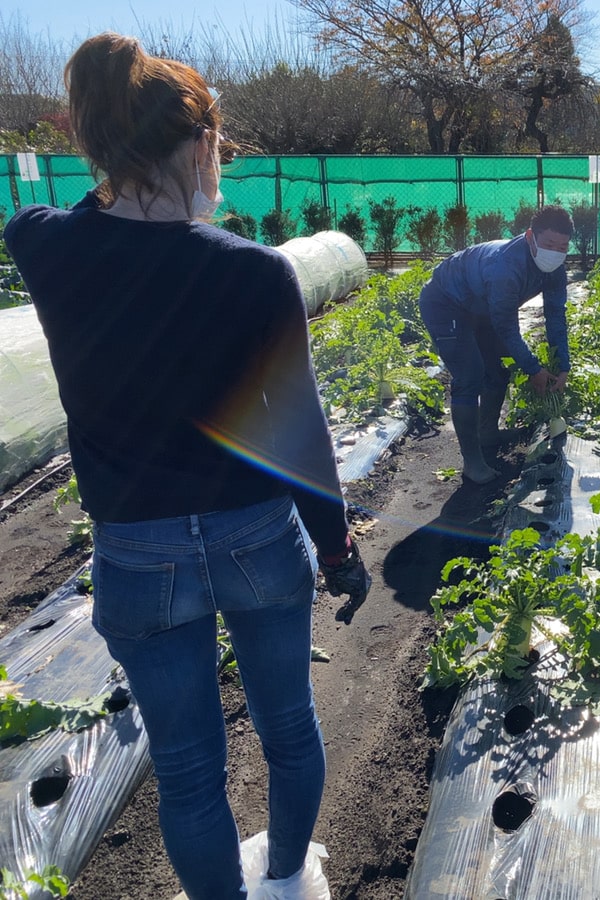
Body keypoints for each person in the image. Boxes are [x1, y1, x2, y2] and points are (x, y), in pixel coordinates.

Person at [4, 32, 369, 899]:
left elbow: (48, 215)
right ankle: (286, 883)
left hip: (137, 550)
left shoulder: (47, 250)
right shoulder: (255, 274)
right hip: (254, 538)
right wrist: (338, 548)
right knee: (288, 729)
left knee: (188, 768)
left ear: (95, 143)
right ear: (204, 144)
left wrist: (107, 161)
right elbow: (299, 431)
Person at [419, 205, 573, 485]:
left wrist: (563, 365)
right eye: (550, 244)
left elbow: (556, 316)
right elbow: (506, 326)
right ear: (530, 237)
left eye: (562, 247)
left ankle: (487, 431)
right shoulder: (505, 265)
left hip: (480, 307)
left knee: (498, 369)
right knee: (469, 375)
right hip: (446, 303)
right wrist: (533, 369)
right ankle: (473, 464)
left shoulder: (555, 269)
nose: (556, 252)